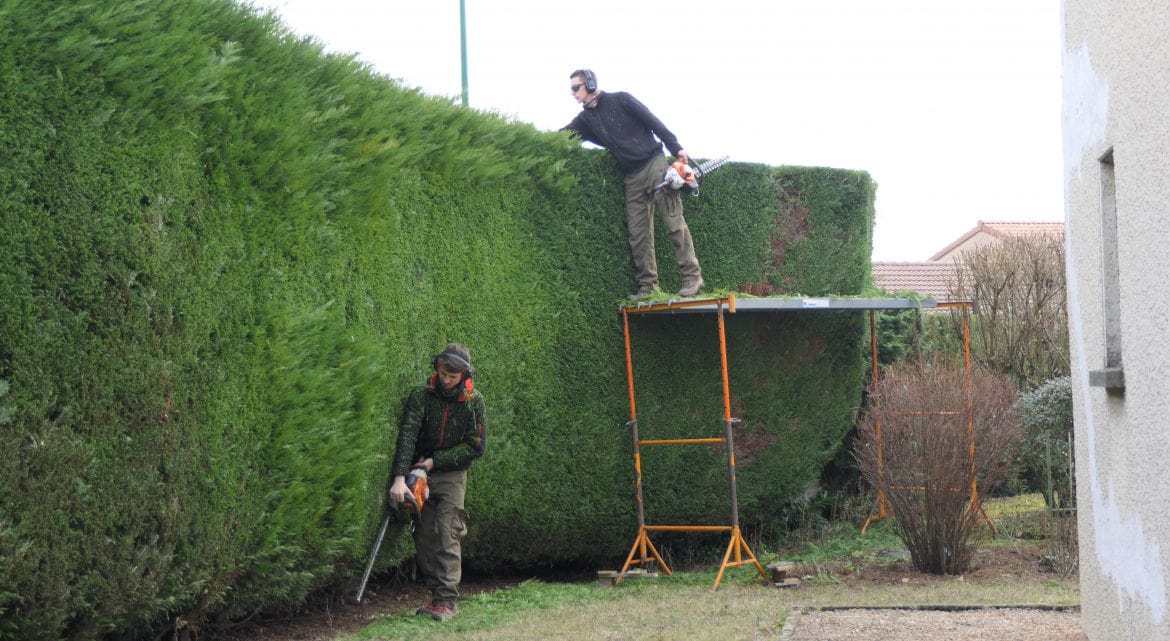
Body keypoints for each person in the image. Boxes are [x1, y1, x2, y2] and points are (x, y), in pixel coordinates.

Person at [562, 68, 704, 299]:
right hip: (632, 177)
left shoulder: (621, 100)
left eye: (575, 88)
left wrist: (676, 147)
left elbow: (654, 122)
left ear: (589, 83)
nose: (573, 93)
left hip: (655, 164)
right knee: (638, 235)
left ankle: (692, 277)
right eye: (571, 89)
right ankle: (648, 287)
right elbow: (564, 135)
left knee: (673, 222)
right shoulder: (586, 120)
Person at [389, 343, 486, 621]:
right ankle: (436, 597)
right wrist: (399, 478)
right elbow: (407, 435)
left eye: (452, 376)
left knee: (448, 532)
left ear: (464, 376)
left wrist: (435, 461)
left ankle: (447, 602)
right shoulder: (421, 396)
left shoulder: (473, 402)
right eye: (442, 373)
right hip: (420, 472)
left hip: (452, 474)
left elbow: (476, 447)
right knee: (424, 536)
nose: (445, 380)